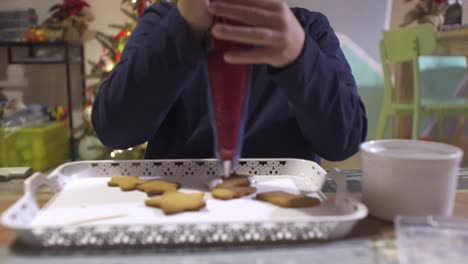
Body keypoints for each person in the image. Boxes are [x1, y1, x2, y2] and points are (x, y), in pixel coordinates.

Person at [92, 0, 367, 163]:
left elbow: (343, 141)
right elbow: (115, 130)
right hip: (179, 209)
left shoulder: (308, 30)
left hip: (281, 211)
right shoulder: (162, 23)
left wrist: (299, 54)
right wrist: (183, 30)